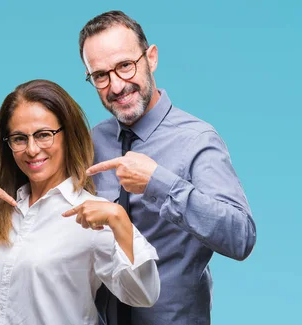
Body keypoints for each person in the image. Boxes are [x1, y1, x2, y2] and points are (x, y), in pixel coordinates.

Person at [0, 79, 160, 324]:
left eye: (44, 135)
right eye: (20, 139)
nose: (32, 149)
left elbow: (143, 294)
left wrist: (120, 222)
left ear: (68, 135)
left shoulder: (91, 217)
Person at [72, 10, 257, 325]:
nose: (116, 86)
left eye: (125, 66)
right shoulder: (93, 141)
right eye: (101, 75)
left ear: (151, 58)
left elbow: (241, 237)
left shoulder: (197, 139)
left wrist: (158, 183)